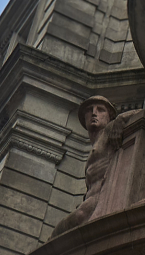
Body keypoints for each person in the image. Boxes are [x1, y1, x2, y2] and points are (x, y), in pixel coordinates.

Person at [53, 95, 125, 236]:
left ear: (109, 116)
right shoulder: (96, 144)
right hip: (91, 201)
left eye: (100, 110)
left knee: (60, 231)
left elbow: (139, 113)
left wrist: (120, 120)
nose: (94, 113)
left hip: (102, 199)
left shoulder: (109, 130)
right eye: (89, 110)